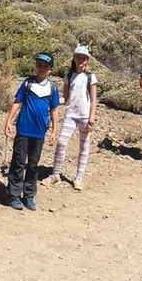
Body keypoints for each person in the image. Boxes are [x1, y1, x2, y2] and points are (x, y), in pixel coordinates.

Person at [4, 52, 62, 210]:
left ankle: (29, 195)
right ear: (36, 65)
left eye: (45, 66)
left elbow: (54, 110)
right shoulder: (28, 83)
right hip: (23, 130)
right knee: (18, 162)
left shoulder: (52, 88)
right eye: (39, 65)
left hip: (39, 132)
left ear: (51, 69)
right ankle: (13, 195)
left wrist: (54, 131)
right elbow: (17, 102)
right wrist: (8, 121)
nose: (41, 68)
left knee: (33, 165)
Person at [45, 45, 98, 190]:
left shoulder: (90, 77)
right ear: (74, 58)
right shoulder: (68, 76)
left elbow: (93, 100)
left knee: (84, 146)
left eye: (83, 57)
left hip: (85, 116)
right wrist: (52, 101)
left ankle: (79, 177)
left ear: (87, 60)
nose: (81, 59)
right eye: (78, 56)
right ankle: (55, 175)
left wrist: (91, 120)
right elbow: (66, 97)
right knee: (61, 142)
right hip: (71, 114)